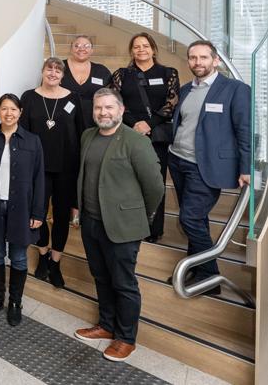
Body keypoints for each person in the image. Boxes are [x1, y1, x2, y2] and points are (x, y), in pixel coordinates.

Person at [74, 88, 164, 362]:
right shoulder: (88, 135)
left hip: (122, 226)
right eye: (98, 108)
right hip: (91, 221)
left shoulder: (136, 142)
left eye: (109, 108)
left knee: (123, 283)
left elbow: (155, 187)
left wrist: (138, 216)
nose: (103, 112)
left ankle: (126, 338)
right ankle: (106, 324)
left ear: (121, 110)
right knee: (101, 276)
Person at [169, 41, 251, 294]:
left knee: (189, 218)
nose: (198, 62)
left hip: (207, 166)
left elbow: (245, 131)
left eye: (204, 57)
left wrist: (245, 167)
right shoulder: (185, 90)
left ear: (216, 60)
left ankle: (210, 276)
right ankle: (195, 265)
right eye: (193, 58)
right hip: (178, 160)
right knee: (197, 218)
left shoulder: (235, 89)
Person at [0, 94, 44, 327]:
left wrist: (37, 213)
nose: (9, 113)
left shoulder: (32, 141)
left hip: (21, 208)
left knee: (19, 257)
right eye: (4, 109)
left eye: (13, 109)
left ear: (20, 112)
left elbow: (39, 179)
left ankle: (15, 302)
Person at [20, 57, 84, 288]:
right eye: (50, 69)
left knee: (60, 217)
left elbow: (81, 133)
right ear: (42, 71)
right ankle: (43, 254)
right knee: (37, 213)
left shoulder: (73, 98)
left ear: (62, 75)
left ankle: (56, 262)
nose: (53, 73)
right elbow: (22, 134)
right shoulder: (29, 97)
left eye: (58, 70)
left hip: (67, 168)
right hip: (37, 168)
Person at [110, 32, 179, 243]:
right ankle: (131, 223)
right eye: (136, 46)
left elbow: (172, 103)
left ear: (153, 49)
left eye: (145, 46)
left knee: (155, 181)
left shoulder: (168, 73)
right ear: (131, 51)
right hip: (128, 133)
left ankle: (153, 229)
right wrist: (134, 124)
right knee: (128, 181)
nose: (141, 50)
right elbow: (114, 101)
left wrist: (149, 124)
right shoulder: (121, 74)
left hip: (156, 135)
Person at [61, 35, 112, 128]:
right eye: (77, 46)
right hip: (63, 120)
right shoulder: (59, 67)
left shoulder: (101, 71)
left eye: (86, 46)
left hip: (93, 122)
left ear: (92, 50)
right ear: (71, 49)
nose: (81, 49)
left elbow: (111, 97)